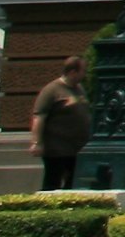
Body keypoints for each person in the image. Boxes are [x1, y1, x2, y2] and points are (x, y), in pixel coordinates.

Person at [31, 57, 91, 193]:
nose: (84, 75)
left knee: (73, 182)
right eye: (83, 71)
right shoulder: (52, 90)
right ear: (72, 72)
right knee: (53, 182)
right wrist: (37, 142)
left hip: (76, 147)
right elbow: (39, 117)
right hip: (57, 148)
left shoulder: (79, 89)